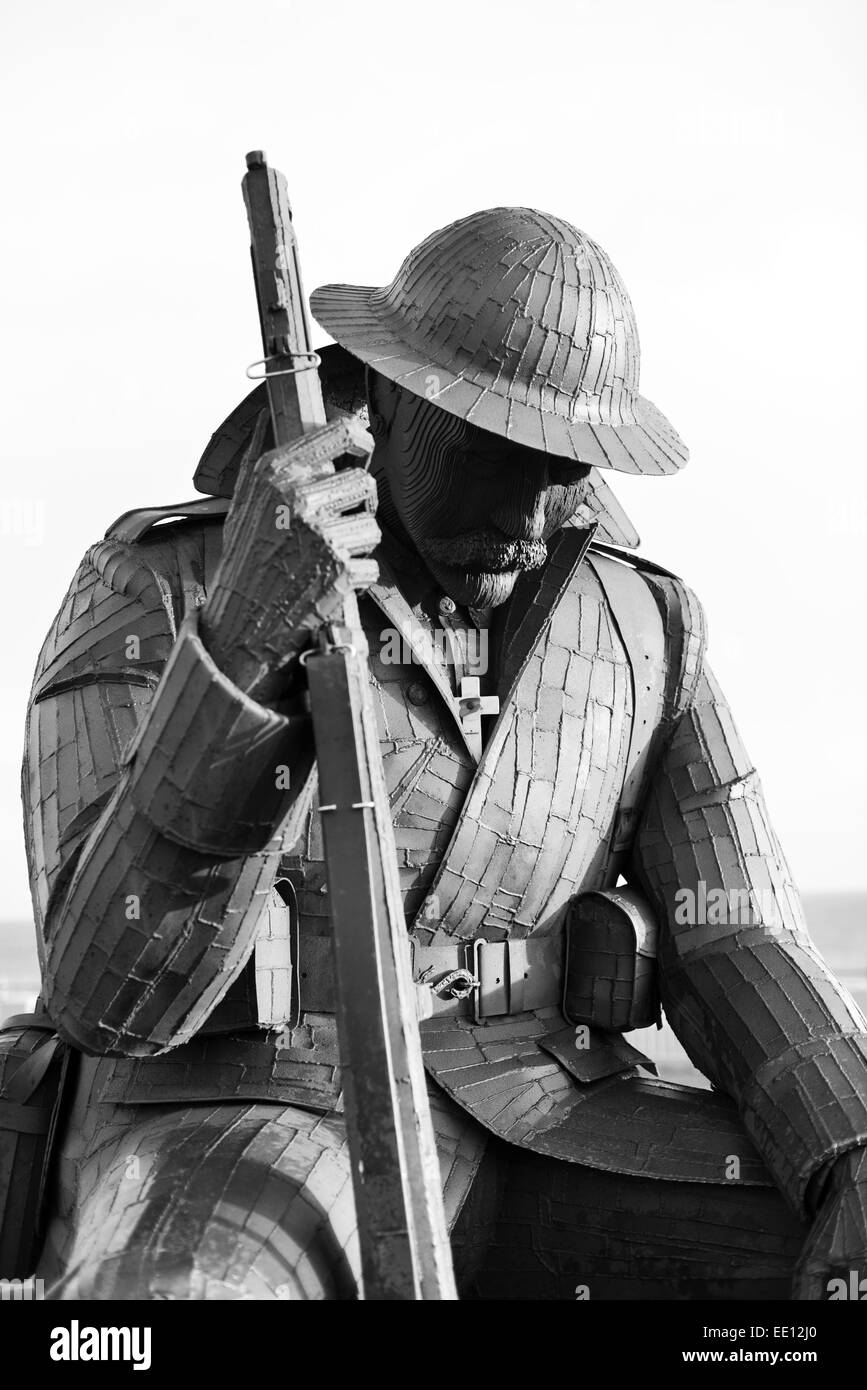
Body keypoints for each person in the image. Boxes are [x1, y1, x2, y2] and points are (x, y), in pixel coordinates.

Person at [17, 208, 867, 1299]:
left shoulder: (650, 628)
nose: (530, 509)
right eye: (495, 448)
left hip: (559, 1120)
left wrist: (848, 1142)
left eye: (567, 465)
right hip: (253, 1114)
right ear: (389, 395)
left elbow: (737, 929)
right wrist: (240, 645)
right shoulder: (159, 585)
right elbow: (99, 988)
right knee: (182, 1289)